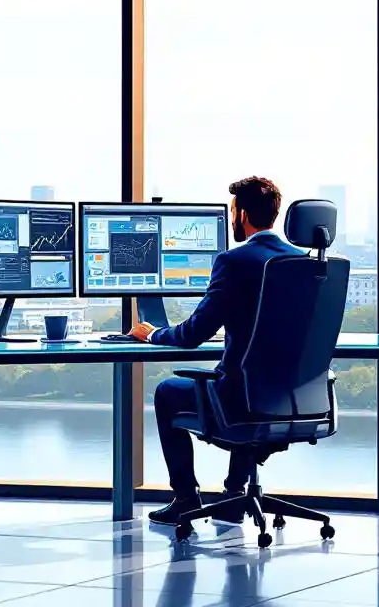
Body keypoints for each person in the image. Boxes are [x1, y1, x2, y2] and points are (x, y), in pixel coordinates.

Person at [129, 176, 304, 526]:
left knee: (167, 392)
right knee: (246, 381)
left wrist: (152, 335)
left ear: (240, 214)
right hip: (295, 399)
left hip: (242, 400)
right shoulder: (306, 264)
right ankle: (235, 494)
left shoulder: (234, 261)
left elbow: (194, 333)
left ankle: (185, 498)